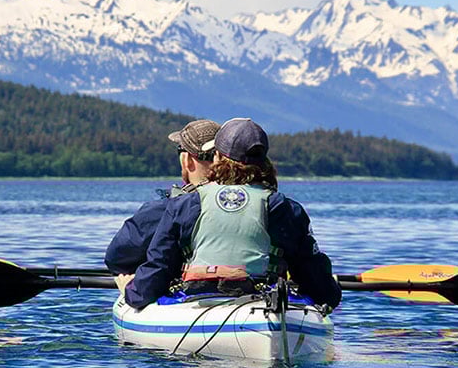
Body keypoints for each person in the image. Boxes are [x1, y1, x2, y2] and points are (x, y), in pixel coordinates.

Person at [119, 117, 342, 310]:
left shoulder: (185, 204)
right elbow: (321, 290)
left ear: (217, 158)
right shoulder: (285, 208)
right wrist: (329, 289)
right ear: (264, 161)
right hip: (263, 305)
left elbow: (158, 269)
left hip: (197, 302)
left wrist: (131, 292)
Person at [104, 119, 220, 276]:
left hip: (191, 291)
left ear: (187, 160)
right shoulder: (257, 200)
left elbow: (117, 258)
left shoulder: (166, 209)